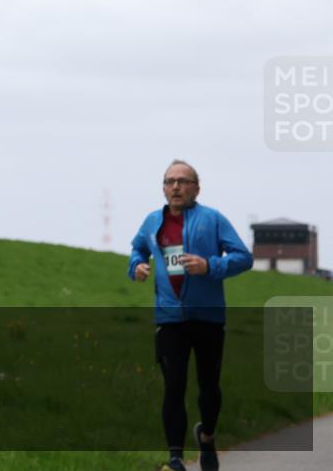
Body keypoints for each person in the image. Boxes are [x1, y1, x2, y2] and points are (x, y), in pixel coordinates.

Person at [128, 160, 252, 471]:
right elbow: (138, 250)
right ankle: (175, 459)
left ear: (196, 188)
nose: (176, 187)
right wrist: (137, 266)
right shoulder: (152, 222)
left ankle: (206, 436)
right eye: (170, 181)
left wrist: (210, 266)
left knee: (209, 387)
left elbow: (244, 257)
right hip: (170, 319)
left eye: (183, 181)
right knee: (174, 387)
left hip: (208, 318)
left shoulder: (213, 219)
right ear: (163, 188)